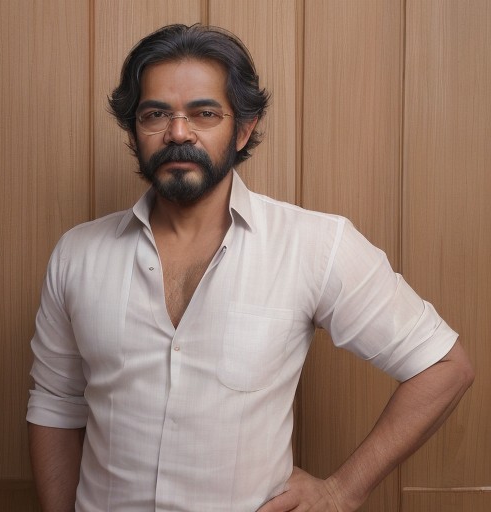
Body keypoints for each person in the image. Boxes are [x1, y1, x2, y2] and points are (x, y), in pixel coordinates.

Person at [26, 23, 474, 512]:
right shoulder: (77, 254)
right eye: (156, 114)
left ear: (243, 129)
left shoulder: (313, 245)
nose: (178, 132)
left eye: (204, 113)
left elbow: (444, 366)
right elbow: (55, 402)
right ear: (135, 129)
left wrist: (342, 491)